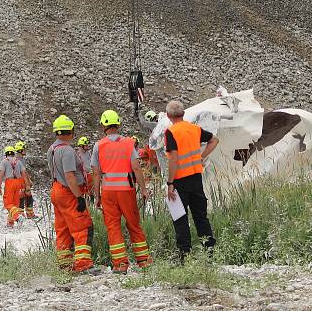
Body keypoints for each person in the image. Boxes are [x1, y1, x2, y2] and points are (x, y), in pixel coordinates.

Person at [91, 110, 152, 273]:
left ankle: (120, 264)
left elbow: (96, 173)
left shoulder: (98, 145)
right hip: (127, 190)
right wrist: (144, 189)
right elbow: (137, 167)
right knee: (134, 224)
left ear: (103, 125)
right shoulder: (128, 143)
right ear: (118, 124)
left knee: (113, 227)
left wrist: (97, 196)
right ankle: (144, 261)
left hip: (108, 192)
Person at [164, 100, 219, 257]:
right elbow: (214, 140)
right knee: (201, 217)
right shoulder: (194, 129)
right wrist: (202, 156)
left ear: (168, 115)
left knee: (180, 218)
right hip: (196, 178)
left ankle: (184, 255)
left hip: (180, 181)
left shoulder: (170, 132)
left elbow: (173, 158)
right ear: (183, 113)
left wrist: (170, 183)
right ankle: (209, 252)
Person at [47, 115, 94, 273]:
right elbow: (69, 176)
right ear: (71, 131)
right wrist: (79, 197)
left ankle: (65, 266)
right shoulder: (66, 150)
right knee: (82, 227)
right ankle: (83, 265)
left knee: (63, 229)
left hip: (56, 190)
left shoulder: (52, 149)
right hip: (68, 192)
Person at [0, 145, 30, 227]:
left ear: (6, 154)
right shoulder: (18, 161)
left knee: (8, 203)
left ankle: (17, 217)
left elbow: (1, 174)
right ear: (13, 153)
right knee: (15, 204)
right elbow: (24, 174)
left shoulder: (4, 161)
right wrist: (27, 185)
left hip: (10, 182)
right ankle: (10, 223)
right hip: (19, 183)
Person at [14, 140, 36, 219]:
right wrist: (28, 182)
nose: (25, 150)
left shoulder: (17, 159)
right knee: (25, 198)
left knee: (24, 198)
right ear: (20, 150)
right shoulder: (19, 160)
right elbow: (24, 172)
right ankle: (25, 214)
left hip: (19, 182)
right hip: (21, 182)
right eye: (24, 149)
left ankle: (22, 214)